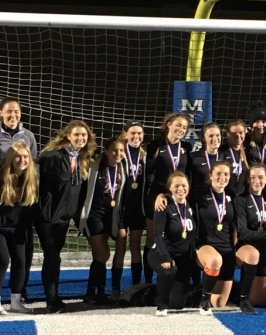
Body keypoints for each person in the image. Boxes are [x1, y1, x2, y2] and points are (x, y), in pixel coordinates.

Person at [36, 119, 97, 312]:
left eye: (83, 135)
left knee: (55, 255)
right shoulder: (51, 156)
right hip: (49, 216)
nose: (80, 138)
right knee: (52, 256)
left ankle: (53, 295)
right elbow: (34, 181)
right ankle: (51, 298)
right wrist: (41, 207)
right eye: (76, 134)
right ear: (67, 136)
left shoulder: (83, 158)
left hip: (65, 216)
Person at [0, 141, 38, 313]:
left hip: (18, 229)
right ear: (11, 158)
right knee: (2, 259)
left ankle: (16, 301)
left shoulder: (31, 178)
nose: (22, 160)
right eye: (18, 156)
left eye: (25, 156)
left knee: (21, 261)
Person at [145, 112, 193, 282]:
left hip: (179, 199)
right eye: (178, 125)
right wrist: (158, 194)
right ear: (169, 124)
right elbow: (147, 174)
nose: (181, 129)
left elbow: (187, 176)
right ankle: (148, 281)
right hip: (158, 197)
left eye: (185, 127)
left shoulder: (187, 148)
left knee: (179, 236)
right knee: (153, 239)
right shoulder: (154, 146)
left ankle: (182, 279)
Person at [234, 163, 266, 312]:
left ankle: (237, 290)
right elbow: (243, 233)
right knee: (252, 255)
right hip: (247, 246)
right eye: (253, 178)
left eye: (261, 177)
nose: (257, 181)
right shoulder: (241, 200)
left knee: (259, 301)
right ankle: (242, 300)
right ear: (248, 180)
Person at [80, 136, 125, 305]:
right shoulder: (94, 166)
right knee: (103, 253)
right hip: (93, 215)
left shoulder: (124, 168)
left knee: (99, 256)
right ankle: (92, 292)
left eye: (121, 150)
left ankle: (97, 292)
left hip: (111, 216)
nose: (118, 154)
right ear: (105, 151)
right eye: (114, 150)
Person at [152, 172, 199, 316]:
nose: (181, 189)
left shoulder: (192, 205)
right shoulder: (164, 205)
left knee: (178, 304)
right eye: (176, 186)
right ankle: (161, 303)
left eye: (184, 185)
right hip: (162, 252)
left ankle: (162, 293)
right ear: (170, 188)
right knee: (168, 270)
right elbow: (158, 235)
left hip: (183, 256)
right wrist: (165, 256)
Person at [194, 158, 236, 312]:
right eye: (218, 174)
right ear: (210, 175)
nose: (222, 177)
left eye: (226, 174)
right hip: (206, 246)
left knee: (219, 303)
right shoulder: (199, 195)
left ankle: (201, 290)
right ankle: (204, 301)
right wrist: (162, 196)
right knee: (214, 260)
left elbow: (235, 226)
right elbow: (177, 195)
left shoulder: (232, 196)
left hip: (227, 247)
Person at [114, 121, 147, 292]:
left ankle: (135, 287)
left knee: (135, 247)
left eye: (140, 133)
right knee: (120, 247)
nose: (136, 137)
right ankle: (115, 289)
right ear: (125, 134)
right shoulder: (119, 154)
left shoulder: (145, 155)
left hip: (137, 209)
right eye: (132, 133)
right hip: (121, 210)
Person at [189, 122, 224, 195]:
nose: (215, 139)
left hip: (219, 200)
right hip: (201, 201)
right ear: (204, 139)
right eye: (211, 136)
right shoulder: (193, 157)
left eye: (217, 135)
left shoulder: (224, 157)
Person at [223, 120, 250, 197]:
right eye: (234, 134)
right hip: (227, 196)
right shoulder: (222, 152)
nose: (238, 136)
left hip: (243, 197)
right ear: (228, 134)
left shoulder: (248, 152)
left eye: (241, 133)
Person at [246, 102, 266, 171]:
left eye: (263, 122)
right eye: (257, 122)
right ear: (252, 125)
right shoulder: (246, 140)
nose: (260, 125)